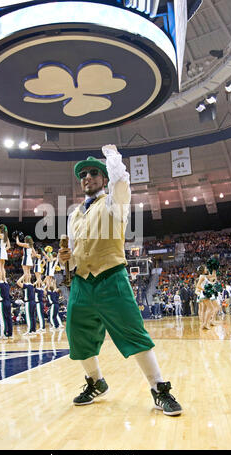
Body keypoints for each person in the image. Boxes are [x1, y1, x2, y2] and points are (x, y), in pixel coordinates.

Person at [58, 144, 182, 416]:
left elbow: (121, 181)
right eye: (83, 175)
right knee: (76, 336)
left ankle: (159, 388)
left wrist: (112, 158)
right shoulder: (74, 214)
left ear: (103, 179)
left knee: (134, 333)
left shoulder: (115, 203)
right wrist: (65, 258)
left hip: (111, 277)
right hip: (81, 281)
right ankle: (96, 381)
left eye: (93, 173)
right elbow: (75, 253)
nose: (87, 177)